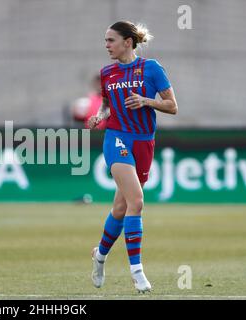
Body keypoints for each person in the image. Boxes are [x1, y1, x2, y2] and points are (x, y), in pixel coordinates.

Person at [88, 21, 178, 293]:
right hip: (117, 139)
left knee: (121, 207)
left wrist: (146, 101)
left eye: (111, 40)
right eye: (105, 40)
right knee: (136, 202)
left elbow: (172, 106)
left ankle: (100, 256)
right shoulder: (107, 73)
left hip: (144, 143)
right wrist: (99, 117)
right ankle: (137, 272)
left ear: (128, 42)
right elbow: (107, 106)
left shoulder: (151, 68)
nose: (106, 45)